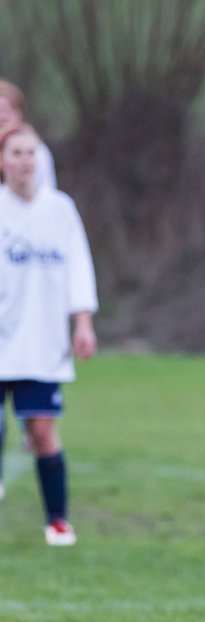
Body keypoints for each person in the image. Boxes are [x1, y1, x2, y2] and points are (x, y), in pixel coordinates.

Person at [0, 123, 96, 545]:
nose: (25, 161)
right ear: (2, 162)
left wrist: (83, 323)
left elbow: (78, 267)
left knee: (41, 430)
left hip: (42, 342)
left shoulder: (60, 210)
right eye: (16, 153)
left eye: (31, 153)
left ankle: (57, 520)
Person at [0, 80, 57, 501]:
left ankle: (26, 426)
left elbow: (46, 211)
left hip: (28, 280)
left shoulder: (35, 156)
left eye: (7, 109)